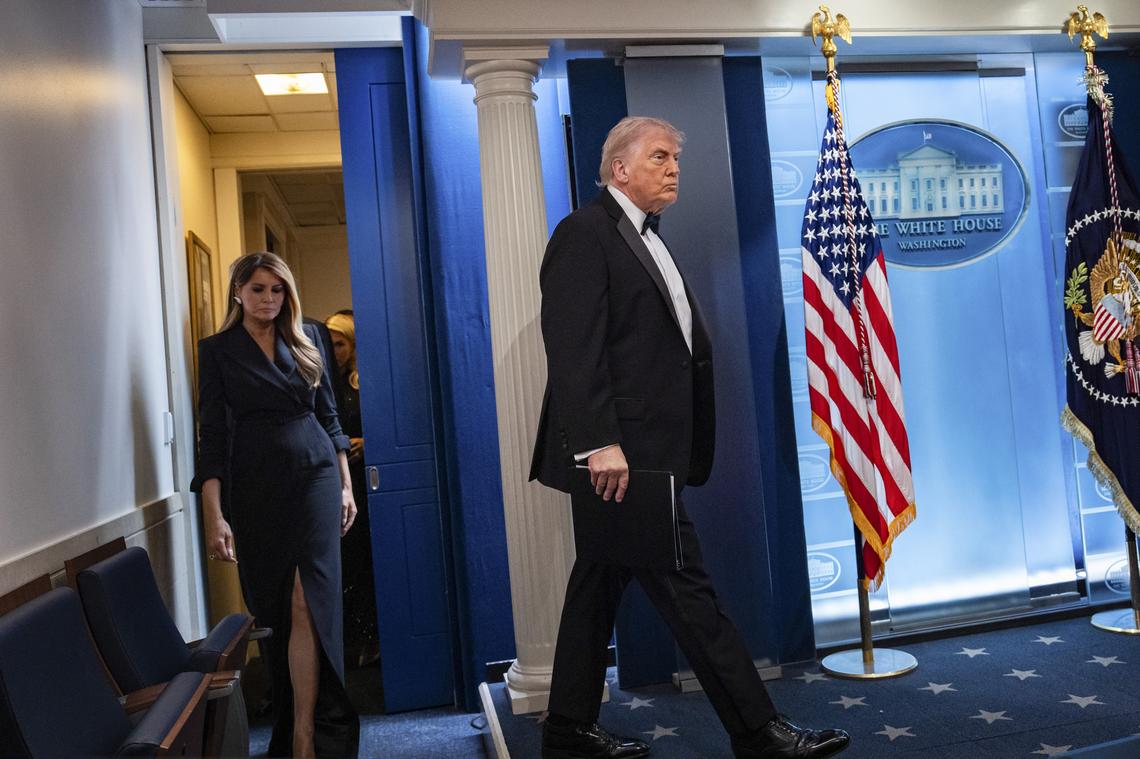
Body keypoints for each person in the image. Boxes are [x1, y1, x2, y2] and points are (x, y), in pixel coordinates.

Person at [530, 117, 850, 759]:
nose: (674, 167)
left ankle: (566, 730)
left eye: (676, 156)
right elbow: (572, 350)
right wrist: (599, 444)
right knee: (690, 594)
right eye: (659, 156)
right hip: (622, 461)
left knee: (596, 589)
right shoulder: (584, 234)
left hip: (649, 455)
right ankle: (758, 732)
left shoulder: (647, 237)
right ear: (619, 169)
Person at [194, 252, 360, 758]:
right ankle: (291, 729)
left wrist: (346, 486)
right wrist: (214, 514)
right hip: (256, 487)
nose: (269, 299)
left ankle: (308, 735)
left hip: (316, 477)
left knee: (307, 603)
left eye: (277, 290)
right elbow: (213, 437)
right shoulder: (218, 351)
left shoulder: (308, 336)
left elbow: (331, 419)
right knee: (277, 610)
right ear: (238, 292)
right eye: (258, 289)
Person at [324, 311, 380, 670]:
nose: (334, 350)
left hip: (367, 482)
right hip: (333, 483)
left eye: (340, 343)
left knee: (366, 562)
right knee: (342, 564)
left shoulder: (367, 384)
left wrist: (366, 443)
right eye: (329, 344)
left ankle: (372, 640)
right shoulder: (323, 382)